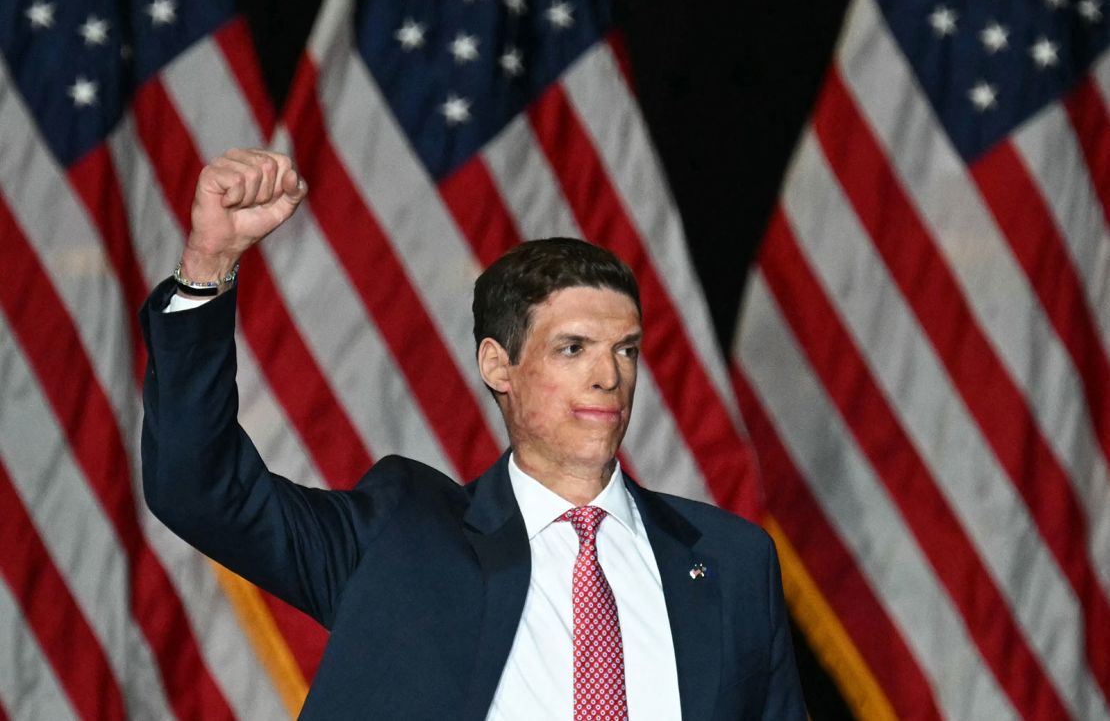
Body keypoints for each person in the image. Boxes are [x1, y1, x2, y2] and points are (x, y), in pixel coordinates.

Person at [141, 148, 805, 719]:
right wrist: (209, 266)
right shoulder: (401, 540)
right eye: (573, 348)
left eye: (625, 350)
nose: (608, 374)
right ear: (499, 364)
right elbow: (199, 489)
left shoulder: (732, 562)